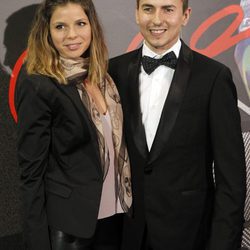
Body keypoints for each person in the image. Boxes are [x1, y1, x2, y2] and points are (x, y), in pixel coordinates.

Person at [108, 0, 246, 249]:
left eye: (168, 9)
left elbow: (231, 179)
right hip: (126, 234)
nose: (157, 19)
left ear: (185, 16)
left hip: (190, 236)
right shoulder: (112, 71)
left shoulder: (214, 77)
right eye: (148, 9)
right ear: (137, 14)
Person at [16, 0, 132, 249]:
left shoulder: (103, 78)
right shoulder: (39, 84)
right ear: (47, 32)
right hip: (70, 230)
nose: (72, 35)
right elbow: (31, 174)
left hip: (114, 217)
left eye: (80, 23)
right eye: (60, 26)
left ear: (92, 27)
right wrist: (36, 242)